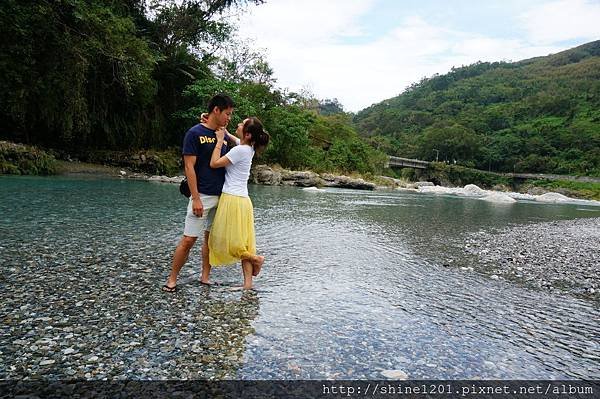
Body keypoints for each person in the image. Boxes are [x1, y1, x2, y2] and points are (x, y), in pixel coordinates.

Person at [163, 94, 236, 293]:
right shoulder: (194, 133)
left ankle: (205, 276)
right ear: (216, 110)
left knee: (210, 239)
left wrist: (225, 132)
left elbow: (243, 147)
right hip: (201, 195)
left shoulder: (224, 136)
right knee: (188, 239)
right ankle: (172, 279)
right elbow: (189, 167)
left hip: (223, 195)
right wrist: (195, 198)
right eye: (227, 114)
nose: (229, 118)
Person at [208, 117, 269, 290]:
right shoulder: (248, 147)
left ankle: (256, 259)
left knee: (224, 241)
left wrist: (219, 141)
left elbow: (214, 164)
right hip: (243, 201)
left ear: (248, 134)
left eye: (242, 124)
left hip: (232, 199)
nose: (238, 125)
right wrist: (222, 130)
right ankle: (247, 285)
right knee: (245, 242)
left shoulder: (240, 150)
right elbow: (232, 137)